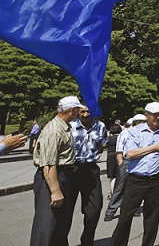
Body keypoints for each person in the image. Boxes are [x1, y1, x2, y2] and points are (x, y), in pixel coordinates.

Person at [110, 102, 159, 246]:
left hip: (156, 180)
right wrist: (154, 147)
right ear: (147, 116)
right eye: (154, 115)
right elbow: (130, 154)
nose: (158, 118)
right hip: (136, 180)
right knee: (125, 218)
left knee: (152, 220)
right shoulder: (136, 131)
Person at [30, 95, 82, 246]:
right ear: (72, 110)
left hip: (62, 175)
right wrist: (55, 190)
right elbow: (48, 164)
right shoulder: (54, 130)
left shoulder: (63, 127)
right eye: (78, 109)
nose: (79, 112)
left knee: (60, 223)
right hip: (52, 178)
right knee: (46, 225)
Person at [66, 103, 109, 246]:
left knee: (95, 208)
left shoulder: (100, 126)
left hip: (91, 169)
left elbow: (101, 146)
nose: (85, 115)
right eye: (82, 112)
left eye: (88, 112)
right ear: (77, 111)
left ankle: (87, 240)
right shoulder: (69, 126)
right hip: (72, 169)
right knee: (66, 209)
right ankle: (60, 240)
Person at [105, 114, 145, 222]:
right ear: (137, 123)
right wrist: (121, 165)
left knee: (134, 188)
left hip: (139, 162)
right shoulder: (125, 133)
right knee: (120, 187)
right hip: (126, 161)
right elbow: (119, 150)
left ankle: (132, 209)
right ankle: (110, 211)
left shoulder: (144, 134)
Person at [106, 123, 123, 198]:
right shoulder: (121, 137)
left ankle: (112, 194)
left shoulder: (109, 138)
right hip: (120, 155)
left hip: (110, 156)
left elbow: (103, 145)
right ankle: (119, 193)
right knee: (121, 176)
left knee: (112, 177)